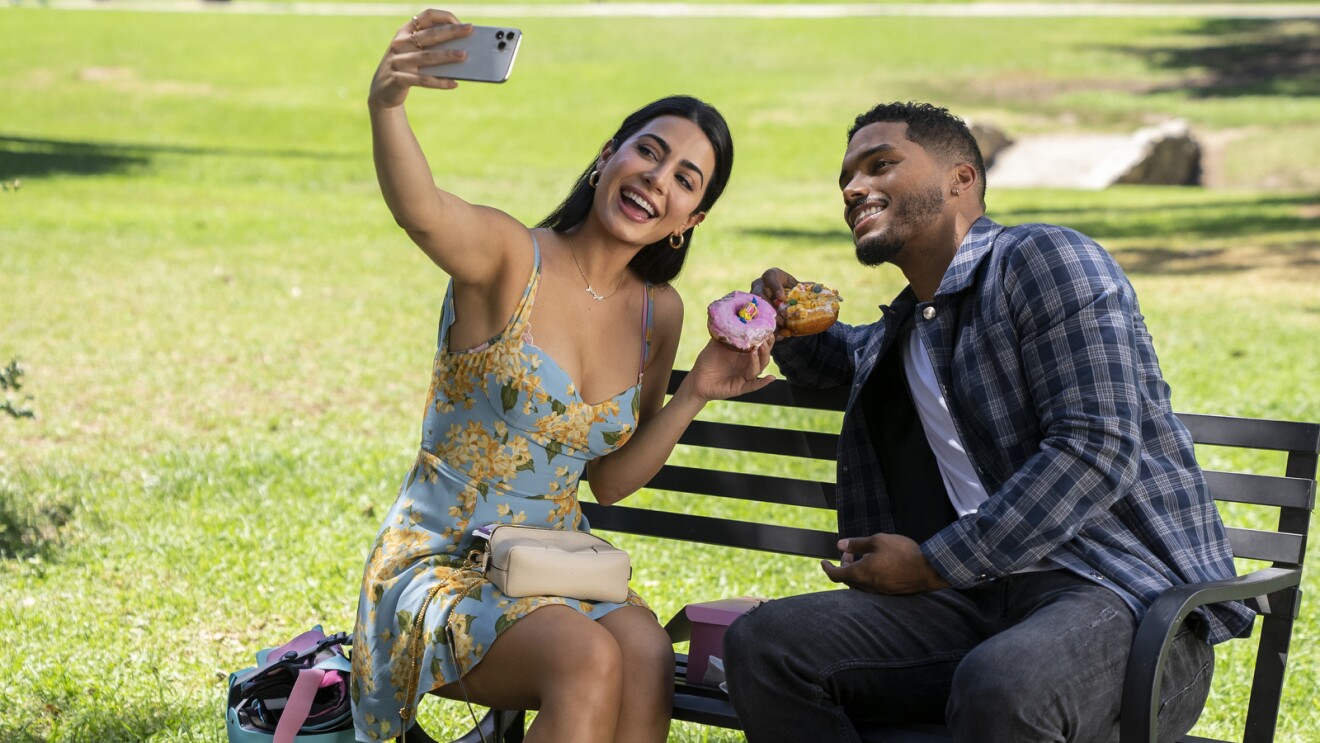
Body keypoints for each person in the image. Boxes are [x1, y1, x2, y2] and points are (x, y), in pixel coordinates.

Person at [721, 101, 1255, 742]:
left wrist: (934, 564)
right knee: (767, 645)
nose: (854, 188)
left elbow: (1097, 448)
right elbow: (851, 356)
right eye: (847, 179)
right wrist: (783, 319)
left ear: (961, 180)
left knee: (1002, 684)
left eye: (881, 164)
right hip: (974, 602)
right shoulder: (913, 328)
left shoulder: (1046, 260)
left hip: (1120, 599)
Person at [350, 10, 774, 743]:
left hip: (557, 564)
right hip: (443, 561)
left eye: (683, 178)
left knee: (642, 648)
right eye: (647, 151)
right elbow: (422, 213)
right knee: (585, 657)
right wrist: (387, 102)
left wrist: (696, 389)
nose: (655, 178)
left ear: (690, 219)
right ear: (607, 156)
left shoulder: (656, 314)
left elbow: (608, 481)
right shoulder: (512, 258)